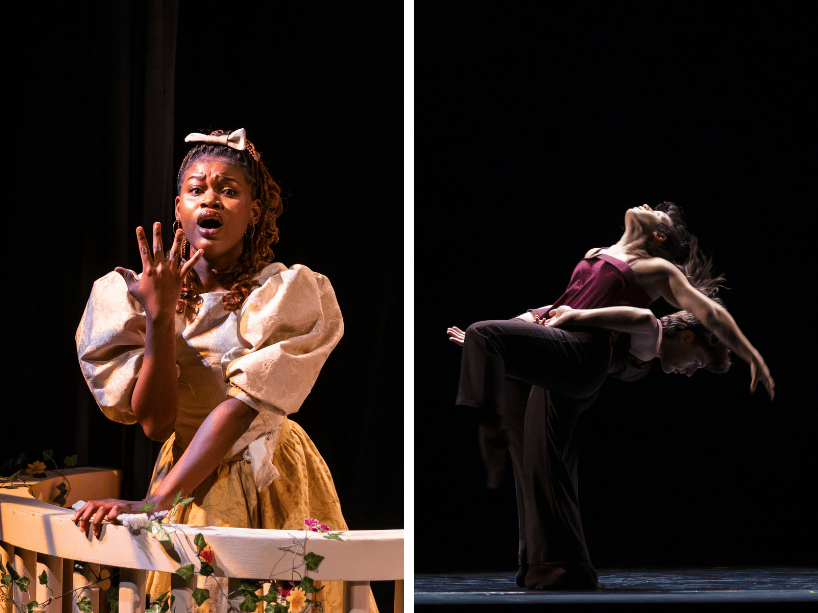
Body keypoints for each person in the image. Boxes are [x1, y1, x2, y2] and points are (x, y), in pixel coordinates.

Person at [74, 129, 376, 612]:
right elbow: (156, 424)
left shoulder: (284, 292)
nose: (210, 199)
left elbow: (240, 410)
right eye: (196, 189)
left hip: (269, 474)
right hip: (186, 470)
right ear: (178, 208)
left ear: (254, 210)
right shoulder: (133, 296)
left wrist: (157, 501)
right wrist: (159, 317)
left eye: (229, 190)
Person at [448, 202, 774, 591]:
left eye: (656, 212)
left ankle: (485, 416)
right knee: (539, 464)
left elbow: (705, 315)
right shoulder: (595, 257)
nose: (646, 206)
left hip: (581, 357)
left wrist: (752, 355)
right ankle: (546, 569)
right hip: (563, 353)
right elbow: (553, 309)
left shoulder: (655, 270)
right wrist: (514, 332)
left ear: (659, 235)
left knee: (487, 336)